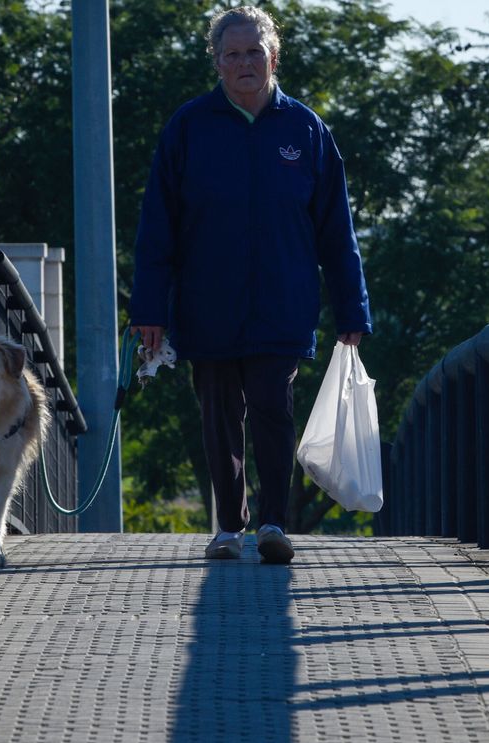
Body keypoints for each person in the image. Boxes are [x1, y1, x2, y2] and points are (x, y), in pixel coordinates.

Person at [129, 6, 372, 563]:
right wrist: (150, 310)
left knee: (272, 406)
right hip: (206, 302)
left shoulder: (306, 129)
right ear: (216, 63)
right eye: (232, 54)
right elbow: (156, 229)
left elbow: (337, 231)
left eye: (253, 52)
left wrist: (351, 311)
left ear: (273, 57)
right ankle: (228, 527)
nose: (244, 63)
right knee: (218, 413)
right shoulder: (188, 128)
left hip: (282, 303)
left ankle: (273, 524)